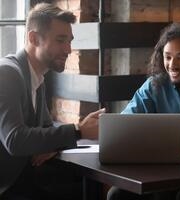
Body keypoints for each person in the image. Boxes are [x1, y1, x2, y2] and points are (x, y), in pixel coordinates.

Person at [107, 23, 180, 200]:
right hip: (166, 173)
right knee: (117, 194)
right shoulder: (154, 87)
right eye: (167, 57)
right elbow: (124, 126)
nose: (172, 65)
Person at [0, 3, 104, 199]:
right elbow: (15, 140)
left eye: (69, 41)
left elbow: (46, 128)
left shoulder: (37, 76)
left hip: (22, 177)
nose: (69, 49)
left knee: (84, 186)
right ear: (33, 38)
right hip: (6, 185)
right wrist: (79, 130)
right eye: (60, 40)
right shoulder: (6, 73)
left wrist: (50, 146)